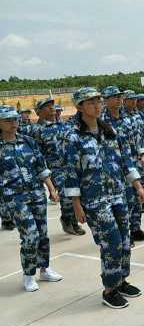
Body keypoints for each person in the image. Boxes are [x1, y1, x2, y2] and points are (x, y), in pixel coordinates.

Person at [64, 87, 144, 309]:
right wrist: (76, 206)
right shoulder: (73, 137)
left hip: (118, 194)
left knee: (125, 239)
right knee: (111, 241)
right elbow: (71, 173)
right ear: (80, 106)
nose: (97, 105)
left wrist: (137, 186)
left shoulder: (109, 131)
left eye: (98, 101)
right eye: (91, 102)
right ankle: (109, 289)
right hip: (94, 200)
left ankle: (121, 280)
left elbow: (125, 161)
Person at [0, 104, 63, 292]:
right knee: (30, 235)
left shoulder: (28, 141)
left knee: (43, 233)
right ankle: (28, 275)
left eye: (15, 119)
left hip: (36, 193)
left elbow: (41, 168)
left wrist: (51, 189)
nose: (14, 123)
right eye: (8, 120)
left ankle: (44, 269)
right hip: (15, 197)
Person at [32, 97, 84, 235]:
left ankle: (73, 221)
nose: (51, 108)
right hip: (55, 169)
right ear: (39, 112)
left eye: (52, 105)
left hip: (71, 166)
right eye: (46, 106)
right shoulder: (37, 130)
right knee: (67, 196)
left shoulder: (65, 125)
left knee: (76, 193)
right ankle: (67, 220)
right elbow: (37, 153)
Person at [122, 90, 144, 241]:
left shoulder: (136, 116)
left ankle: (135, 228)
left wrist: (142, 156)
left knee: (136, 198)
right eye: (131, 99)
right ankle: (125, 232)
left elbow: (138, 138)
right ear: (124, 100)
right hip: (122, 164)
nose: (134, 102)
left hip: (135, 161)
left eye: (135, 99)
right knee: (127, 199)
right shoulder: (113, 119)